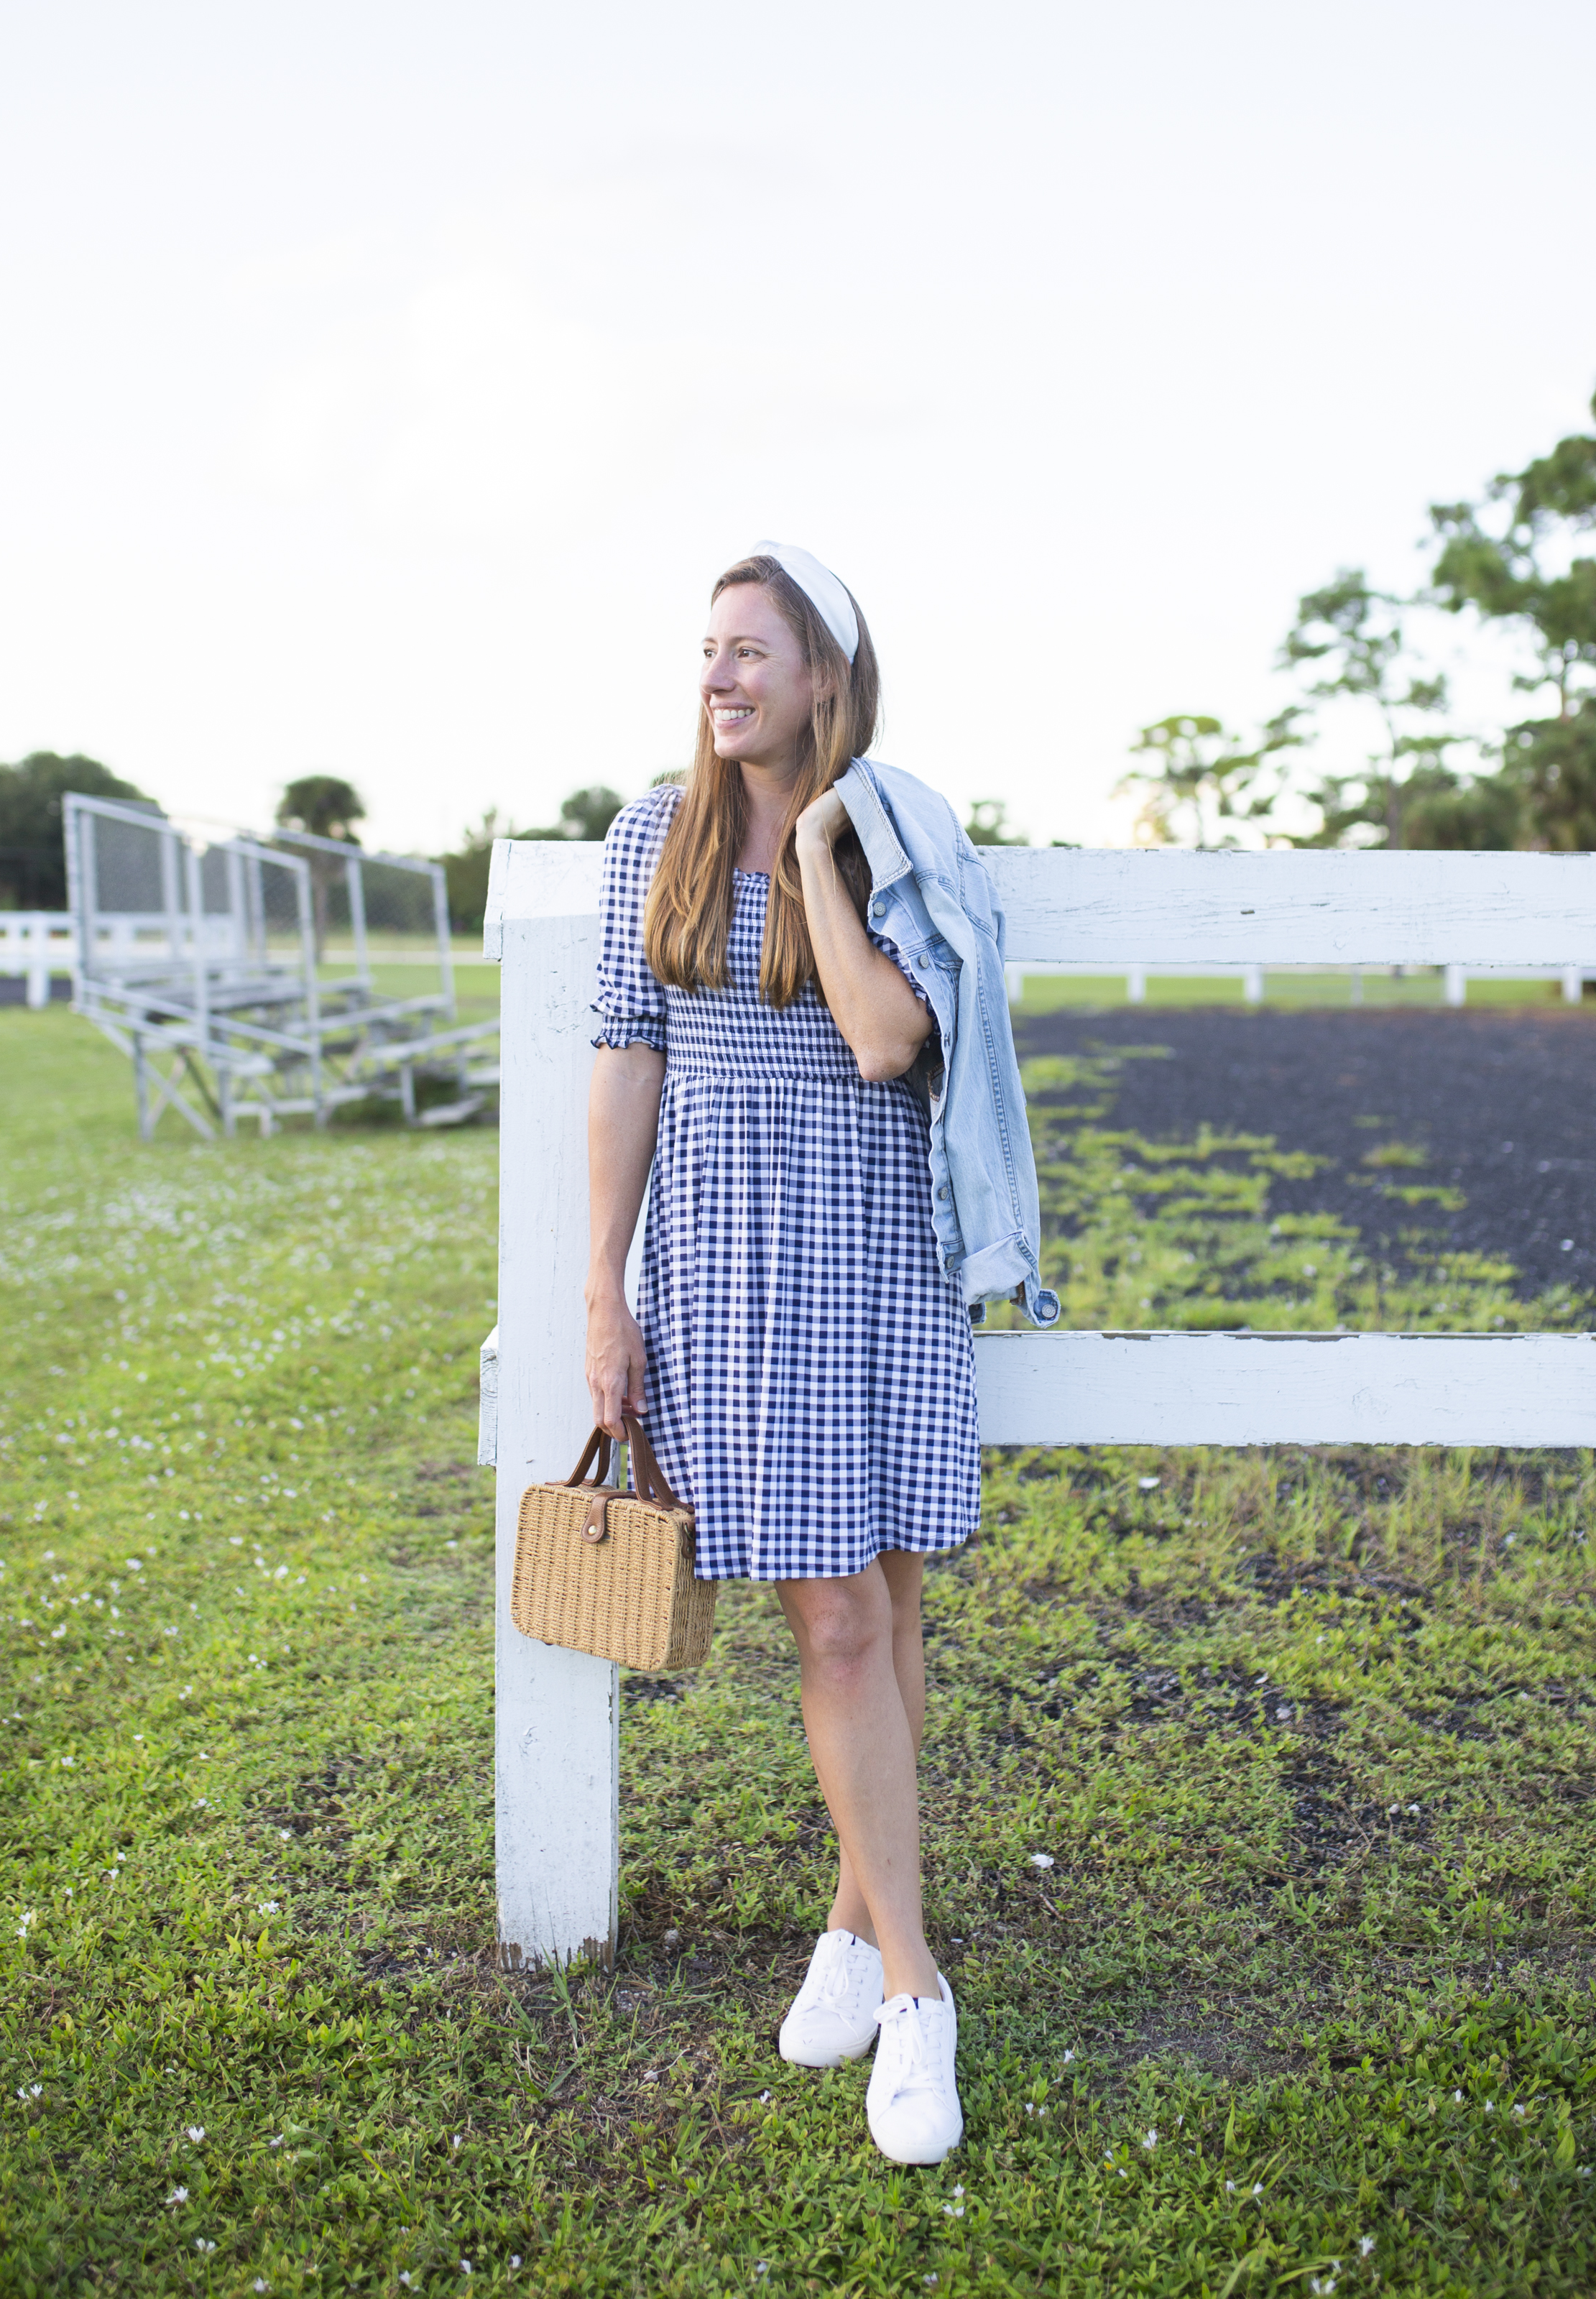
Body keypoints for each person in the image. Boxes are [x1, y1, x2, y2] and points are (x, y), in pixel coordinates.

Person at [583, 542, 1050, 2167]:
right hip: (720, 1264)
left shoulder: (890, 836)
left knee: (879, 1603)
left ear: (821, 680)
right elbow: (625, 1063)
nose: (717, 678)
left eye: (750, 653)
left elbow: (878, 1038)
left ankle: (885, 1967)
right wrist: (599, 1290)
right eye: (705, 651)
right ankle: (889, 1961)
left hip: (866, 1255)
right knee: (839, 1613)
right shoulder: (652, 837)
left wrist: (821, 859)